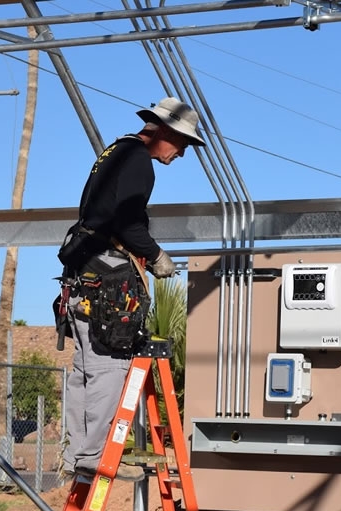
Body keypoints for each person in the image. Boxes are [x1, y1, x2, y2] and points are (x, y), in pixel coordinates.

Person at [59, 97, 205, 484]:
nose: (183, 153)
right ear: (165, 131)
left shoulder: (116, 151)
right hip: (105, 277)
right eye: (183, 143)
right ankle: (92, 457)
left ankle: (78, 454)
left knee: (84, 370)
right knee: (109, 366)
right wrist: (155, 255)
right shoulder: (138, 160)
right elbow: (125, 221)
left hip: (81, 273)